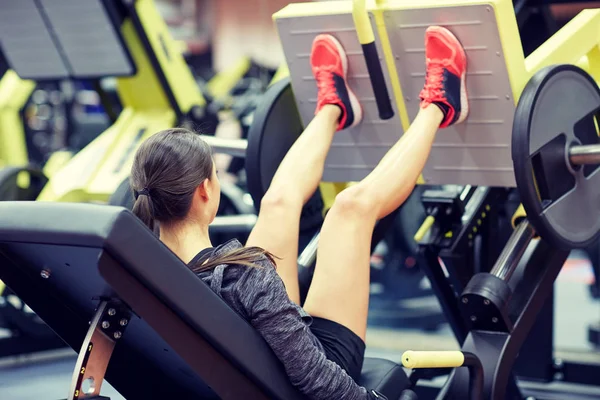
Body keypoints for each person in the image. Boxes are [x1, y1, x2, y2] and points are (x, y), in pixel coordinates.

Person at [130, 26, 468, 400]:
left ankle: (334, 107)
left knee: (278, 202)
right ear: (205, 190)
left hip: (267, 362)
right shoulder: (244, 276)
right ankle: (441, 103)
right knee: (351, 209)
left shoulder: (140, 273)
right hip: (307, 376)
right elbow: (318, 382)